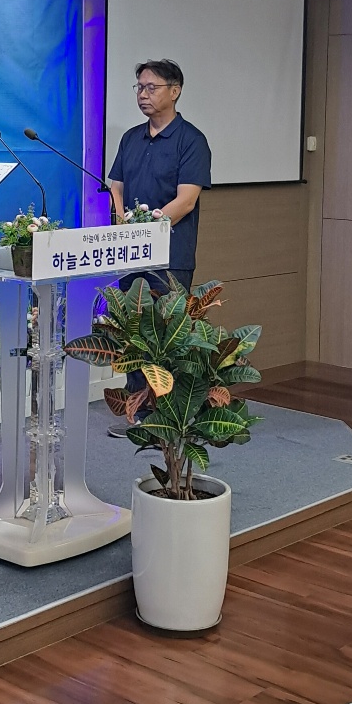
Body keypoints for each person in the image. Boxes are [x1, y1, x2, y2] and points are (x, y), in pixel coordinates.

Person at [107, 58, 211, 437]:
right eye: (139, 87)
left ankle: (170, 418)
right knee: (134, 335)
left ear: (175, 91)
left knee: (168, 338)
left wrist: (145, 229)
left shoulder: (191, 140)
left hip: (170, 257)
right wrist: (122, 219)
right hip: (131, 254)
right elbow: (116, 185)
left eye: (151, 87)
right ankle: (138, 414)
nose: (143, 94)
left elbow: (186, 201)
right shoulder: (131, 138)